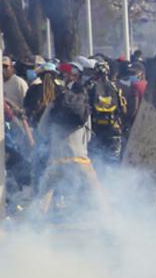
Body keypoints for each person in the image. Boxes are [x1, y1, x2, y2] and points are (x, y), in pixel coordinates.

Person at [37, 86, 106, 214]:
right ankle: (109, 220)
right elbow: (88, 137)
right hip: (80, 159)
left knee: (44, 195)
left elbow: (41, 130)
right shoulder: (83, 107)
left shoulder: (54, 105)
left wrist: (53, 137)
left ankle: (35, 223)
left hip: (57, 159)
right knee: (97, 195)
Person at [87, 60, 127, 166]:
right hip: (114, 128)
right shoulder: (116, 87)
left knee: (96, 159)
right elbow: (123, 109)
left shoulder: (90, 87)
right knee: (113, 160)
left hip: (96, 129)